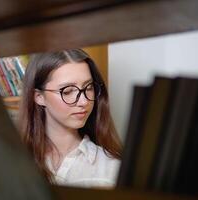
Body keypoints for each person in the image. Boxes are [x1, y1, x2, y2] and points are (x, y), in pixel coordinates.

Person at [19, 49, 122, 188]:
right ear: (39, 97)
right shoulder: (12, 161)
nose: (84, 101)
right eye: (67, 91)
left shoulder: (112, 169)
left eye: (88, 88)